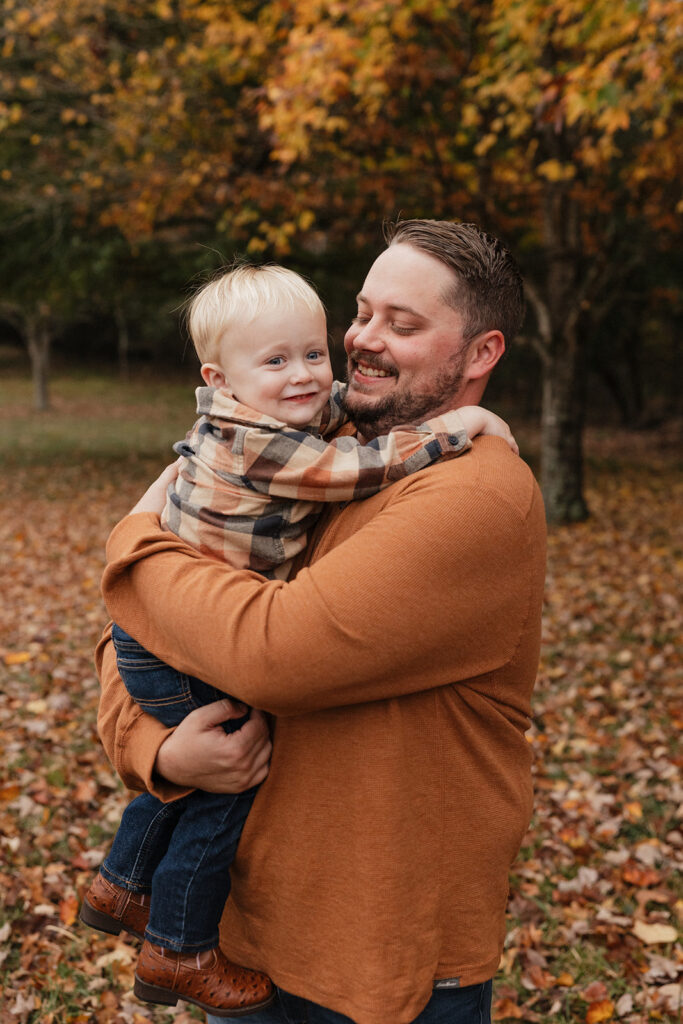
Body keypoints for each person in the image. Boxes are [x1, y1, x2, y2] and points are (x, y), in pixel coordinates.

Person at [93, 220, 547, 1024]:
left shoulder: (475, 495)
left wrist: (132, 540)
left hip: (377, 969)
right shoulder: (304, 439)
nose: (364, 340)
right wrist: (160, 749)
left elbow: (272, 653)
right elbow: (132, 639)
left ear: (480, 353)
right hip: (243, 941)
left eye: (402, 325)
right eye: (363, 313)